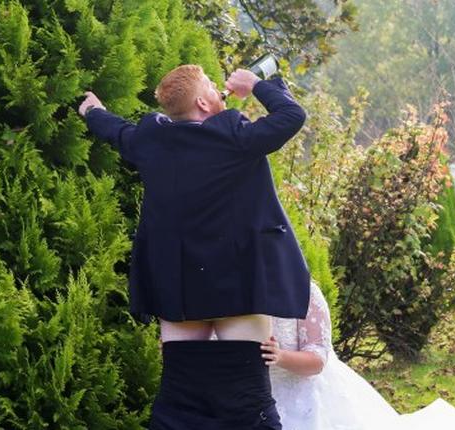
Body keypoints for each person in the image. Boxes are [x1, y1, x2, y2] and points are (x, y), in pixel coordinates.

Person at [78, 65, 310, 430]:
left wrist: (92, 111)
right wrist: (257, 84)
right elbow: (292, 115)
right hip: (240, 286)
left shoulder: (151, 140)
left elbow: (118, 132)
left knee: (178, 406)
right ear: (203, 102)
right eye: (214, 90)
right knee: (248, 405)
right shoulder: (235, 135)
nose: (221, 93)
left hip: (180, 287)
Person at [261, 281, 455, 430]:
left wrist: (281, 356)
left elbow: (317, 359)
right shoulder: (240, 295)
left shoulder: (305, 292)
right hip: (257, 398)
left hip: (310, 397)